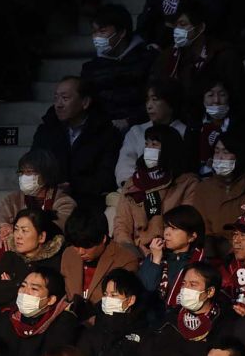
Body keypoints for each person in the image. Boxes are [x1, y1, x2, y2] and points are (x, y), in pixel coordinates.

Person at [30, 76, 123, 210]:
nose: (58, 104)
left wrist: (74, 186)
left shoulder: (106, 134)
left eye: (65, 98)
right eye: (56, 98)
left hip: (89, 205)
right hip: (50, 201)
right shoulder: (46, 131)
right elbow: (34, 165)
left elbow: (106, 178)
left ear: (85, 102)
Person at [113, 124, 198, 255]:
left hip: (172, 251)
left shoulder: (187, 183)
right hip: (137, 252)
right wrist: (130, 252)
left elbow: (185, 224)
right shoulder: (133, 182)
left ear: (169, 148)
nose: (149, 150)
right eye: (147, 144)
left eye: (155, 145)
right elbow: (122, 224)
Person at [60, 208, 141, 303]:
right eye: (76, 245)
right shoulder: (69, 254)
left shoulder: (126, 261)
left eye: (87, 246)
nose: (81, 252)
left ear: (103, 239)